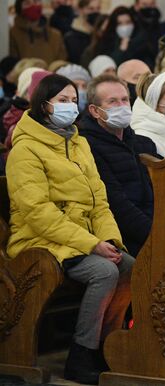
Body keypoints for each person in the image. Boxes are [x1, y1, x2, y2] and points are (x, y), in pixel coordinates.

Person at [6, 73, 134, 384]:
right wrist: (91, 245)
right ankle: (80, 355)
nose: (69, 106)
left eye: (73, 100)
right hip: (39, 240)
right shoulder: (26, 149)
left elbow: (99, 201)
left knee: (129, 266)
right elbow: (37, 212)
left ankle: (106, 345)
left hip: (80, 237)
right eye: (62, 100)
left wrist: (108, 240)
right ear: (44, 105)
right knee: (103, 272)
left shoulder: (78, 143)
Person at [79, 74, 157, 257]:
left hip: (159, 225)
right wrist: (155, 234)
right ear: (95, 111)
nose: (122, 106)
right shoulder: (87, 146)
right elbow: (116, 204)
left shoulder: (144, 144)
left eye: (124, 100)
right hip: (125, 235)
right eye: (112, 102)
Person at [130, 0, 162, 65]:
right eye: (144, 4)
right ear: (136, 6)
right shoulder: (129, 24)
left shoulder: (159, 25)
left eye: (152, 4)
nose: (149, 7)